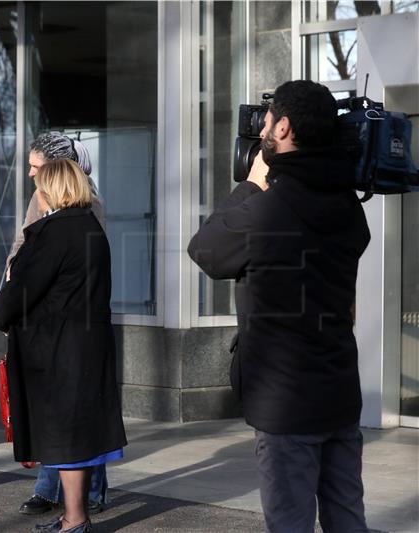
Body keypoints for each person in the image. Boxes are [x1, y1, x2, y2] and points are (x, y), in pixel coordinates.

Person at [188, 80, 371, 533]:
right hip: (340, 393)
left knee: (289, 523)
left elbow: (206, 250)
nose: (262, 132)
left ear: (284, 127)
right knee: (347, 518)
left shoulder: (270, 208)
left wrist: (252, 186)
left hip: (286, 404)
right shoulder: (349, 206)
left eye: (266, 124)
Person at [0, 159, 127, 533]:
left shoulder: (54, 232)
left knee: (66, 439)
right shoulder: (90, 228)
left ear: (53, 188)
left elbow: (20, 292)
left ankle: (74, 521)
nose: (37, 192)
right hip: (85, 345)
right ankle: (74, 517)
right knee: (77, 440)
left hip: (55, 350)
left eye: (40, 185)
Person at [8, 133, 111, 517]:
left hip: (65, 324)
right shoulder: (44, 198)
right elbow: (22, 245)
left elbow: (52, 260)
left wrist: (13, 298)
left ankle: (81, 498)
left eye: (36, 166)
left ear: (56, 169)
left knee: (72, 415)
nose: (30, 174)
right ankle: (63, 493)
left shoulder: (83, 206)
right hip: (49, 318)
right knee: (69, 413)